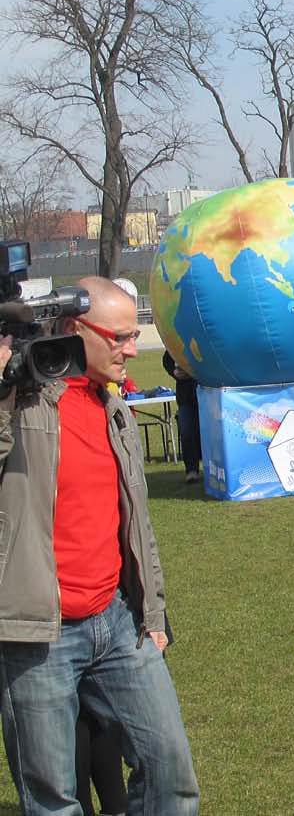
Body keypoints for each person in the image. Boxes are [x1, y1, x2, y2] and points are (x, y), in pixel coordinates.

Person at [0, 276, 199, 814]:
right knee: (53, 800)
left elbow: (137, 524)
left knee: (170, 771)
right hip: (37, 634)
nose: (132, 349)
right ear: (72, 329)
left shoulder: (114, 409)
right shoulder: (22, 402)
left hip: (117, 621)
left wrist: (153, 612)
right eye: (120, 337)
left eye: (134, 334)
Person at [163, 350, 201, 482]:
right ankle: (191, 470)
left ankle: (212, 469)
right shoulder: (179, 341)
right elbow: (167, 358)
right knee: (187, 432)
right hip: (186, 397)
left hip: (208, 394)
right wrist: (174, 371)